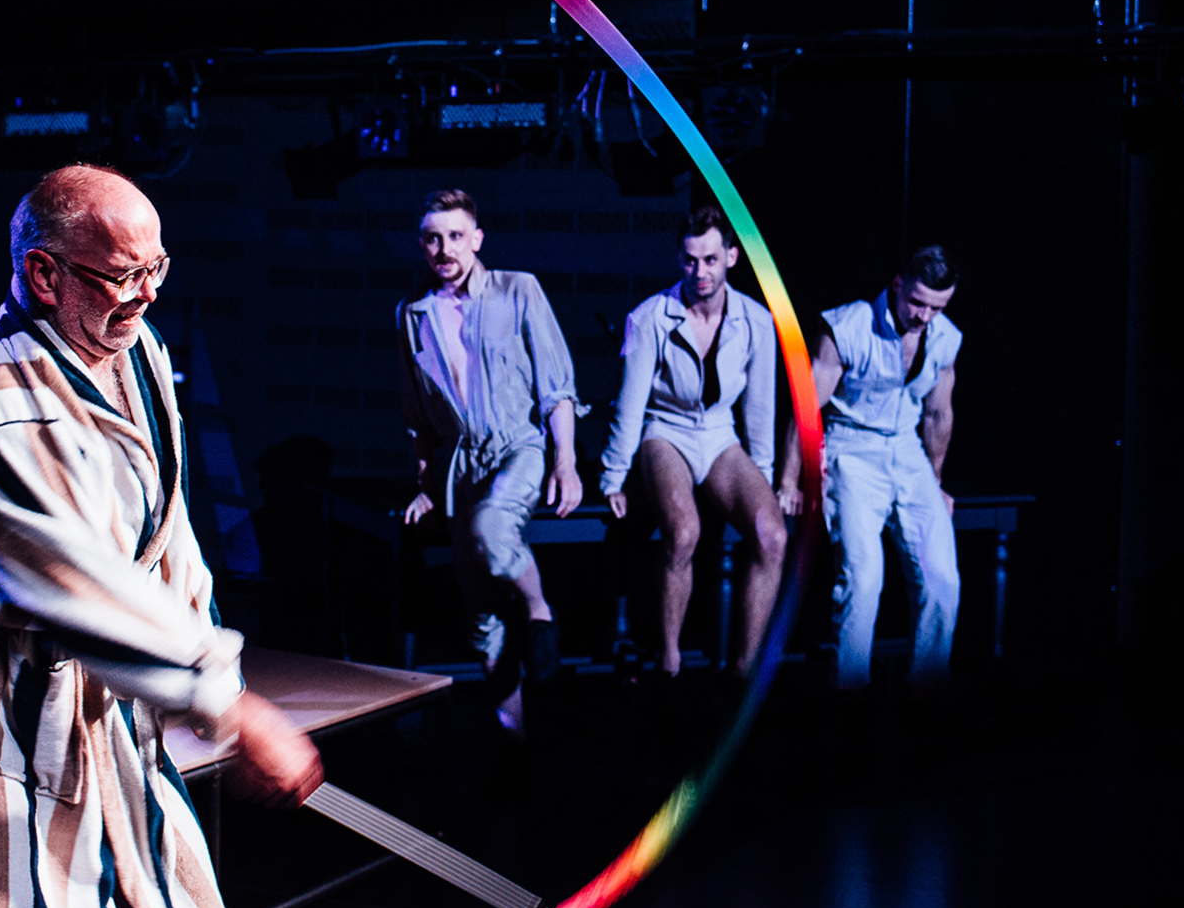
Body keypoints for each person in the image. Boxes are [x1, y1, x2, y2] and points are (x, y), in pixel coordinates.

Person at [0, 165, 321, 908]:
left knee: (145, 906)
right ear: (42, 274)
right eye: (123, 275)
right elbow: (76, 578)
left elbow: (169, 532)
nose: (148, 293)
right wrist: (228, 705)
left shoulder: (137, 351)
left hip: (107, 690)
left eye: (157, 268)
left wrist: (221, 677)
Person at [397, 188, 583, 732]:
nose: (444, 249)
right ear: (422, 245)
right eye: (433, 238)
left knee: (493, 528)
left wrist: (565, 460)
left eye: (456, 236)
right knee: (481, 617)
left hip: (518, 447)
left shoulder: (518, 290)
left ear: (477, 239)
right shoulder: (413, 314)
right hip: (460, 465)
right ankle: (514, 738)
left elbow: (557, 386)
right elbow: (419, 418)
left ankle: (541, 612)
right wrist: (428, 483)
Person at [599, 206, 786, 678]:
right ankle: (670, 663)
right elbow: (631, 405)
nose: (699, 272)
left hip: (721, 435)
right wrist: (613, 477)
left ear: (731, 257)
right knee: (684, 533)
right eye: (689, 260)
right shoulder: (649, 318)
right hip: (666, 431)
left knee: (772, 534)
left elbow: (760, 408)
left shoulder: (757, 320)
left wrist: (761, 478)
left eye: (709, 260)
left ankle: (744, 670)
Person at [777, 245, 962, 690]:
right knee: (863, 578)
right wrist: (788, 477)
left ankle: (927, 692)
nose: (924, 316)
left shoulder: (944, 337)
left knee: (943, 580)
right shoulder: (848, 326)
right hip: (851, 447)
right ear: (897, 285)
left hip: (907, 452)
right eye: (917, 302)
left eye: (936, 307)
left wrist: (935, 479)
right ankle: (850, 694)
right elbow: (808, 407)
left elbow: (938, 413)